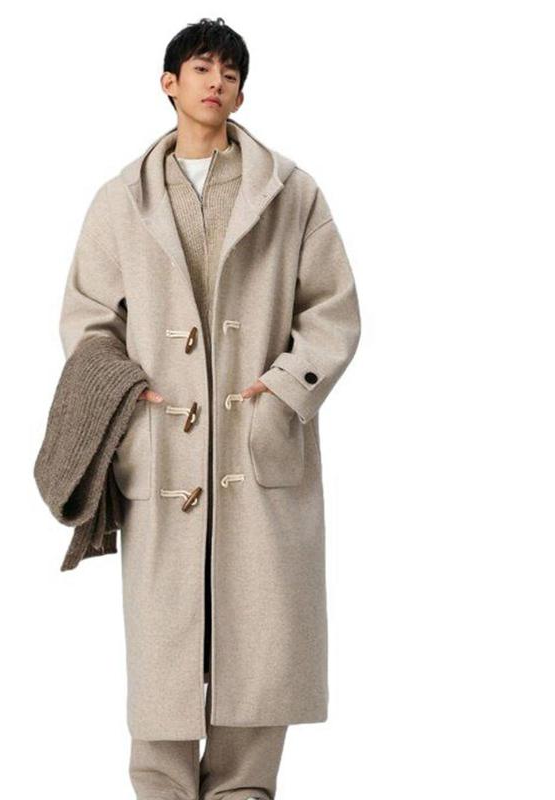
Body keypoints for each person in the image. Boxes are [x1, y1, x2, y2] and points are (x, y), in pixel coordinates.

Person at [58, 16, 361, 800]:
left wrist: (285, 390)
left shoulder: (291, 193)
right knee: (163, 643)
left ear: (242, 92)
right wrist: (125, 394)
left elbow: (332, 310)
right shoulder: (121, 200)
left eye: (229, 72)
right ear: (169, 83)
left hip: (259, 447)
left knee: (261, 638)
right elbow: (89, 321)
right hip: (160, 450)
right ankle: (160, 789)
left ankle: (244, 790)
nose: (216, 82)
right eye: (201, 67)